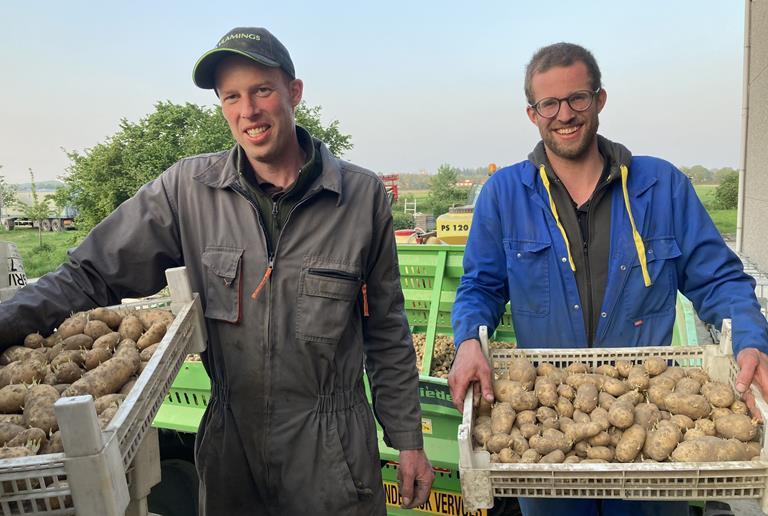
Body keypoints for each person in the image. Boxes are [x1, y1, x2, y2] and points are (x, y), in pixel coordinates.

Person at [0, 27, 433, 515]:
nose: (247, 110)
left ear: (294, 93)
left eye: (262, 90)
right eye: (231, 96)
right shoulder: (187, 190)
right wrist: (7, 321)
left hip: (331, 449)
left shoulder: (361, 198)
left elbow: (388, 330)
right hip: (232, 447)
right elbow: (88, 273)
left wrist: (407, 439)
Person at [448, 42, 768, 516]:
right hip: (551, 429)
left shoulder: (660, 186)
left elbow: (719, 279)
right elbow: (480, 287)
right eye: (549, 104)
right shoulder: (504, 195)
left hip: (648, 437)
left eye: (577, 98)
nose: (565, 115)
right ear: (532, 113)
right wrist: (468, 340)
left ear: (599, 99)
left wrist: (750, 339)